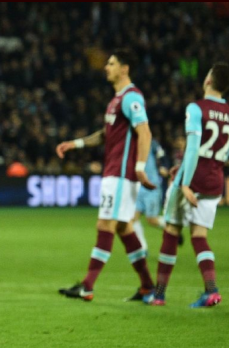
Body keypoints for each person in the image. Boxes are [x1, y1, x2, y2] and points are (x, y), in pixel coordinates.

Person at [54, 49, 156, 302]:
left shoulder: (131, 97)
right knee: (123, 228)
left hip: (121, 174)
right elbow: (105, 134)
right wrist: (75, 144)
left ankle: (87, 286)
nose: (106, 67)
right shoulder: (116, 100)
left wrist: (140, 166)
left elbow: (145, 132)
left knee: (105, 225)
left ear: (125, 68)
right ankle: (147, 286)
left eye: (111, 63)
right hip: (115, 173)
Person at [145, 63, 229, 307]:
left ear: (208, 80)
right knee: (199, 235)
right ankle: (212, 291)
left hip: (192, 182)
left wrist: (184, 181)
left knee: (172, 230)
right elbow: (225, 154)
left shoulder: (196, 108)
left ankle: (159, 294)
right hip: (214, 182)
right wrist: (184, 167)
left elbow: (193, 148)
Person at [132, 138, 179, 251]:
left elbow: (162, 157)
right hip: (138, 187)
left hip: (151, 186)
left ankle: (173, 227)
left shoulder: (151, 142)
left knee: (151, 220)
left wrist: (163, 167)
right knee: (133, 218)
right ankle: (142, 248)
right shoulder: (129, 143)